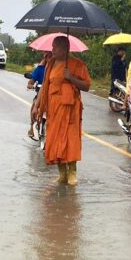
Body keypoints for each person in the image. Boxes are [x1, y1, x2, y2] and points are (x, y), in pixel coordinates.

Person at [36, 35, 90, 185]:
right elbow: (45, 86)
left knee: (70, 139)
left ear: (65, 48)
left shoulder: (77, 64)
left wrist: (71, 78)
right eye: (52, 46)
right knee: (54, 139)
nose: (52, 50)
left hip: (70, 109)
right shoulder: (50, 64)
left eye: (55, 47)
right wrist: (37, 105)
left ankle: (72, 173)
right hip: (53, 109)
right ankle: (62, 174)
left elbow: (86, 86)